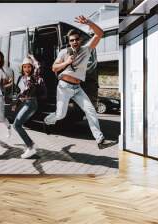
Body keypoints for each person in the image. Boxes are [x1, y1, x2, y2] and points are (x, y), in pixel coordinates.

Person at [43, 15, 113, 149]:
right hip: (63, 87)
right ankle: (47, 121)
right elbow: (54, 68)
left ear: (80, 40)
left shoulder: (86, 50)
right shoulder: (64, 52)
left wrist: (89, 22)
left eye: (76, 39)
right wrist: (67, 62)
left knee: (91, 110)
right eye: (71, 40)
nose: (74, 42)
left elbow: (100, 34)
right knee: (60, 115)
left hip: (77, 88)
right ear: (69, 42)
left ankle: (100, 140)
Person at [14, 55, 45, 159]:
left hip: (31, 104)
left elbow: (38, 66)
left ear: (32, 68)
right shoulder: (21, 78)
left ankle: (30, 147)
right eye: (25, 67)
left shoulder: (33, 77)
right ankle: (31, 144)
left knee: (16, 125)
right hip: (26, 103)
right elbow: (21, 93)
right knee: (17, 125)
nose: (27, 69)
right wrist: (18, 102)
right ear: (22, 68)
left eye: (29, 67)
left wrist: (32, 57)